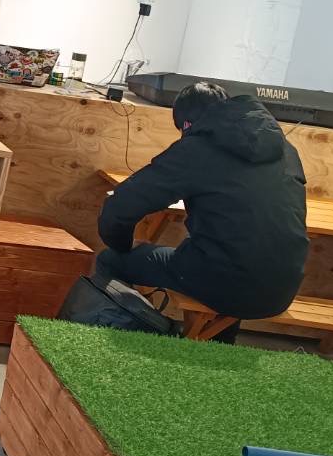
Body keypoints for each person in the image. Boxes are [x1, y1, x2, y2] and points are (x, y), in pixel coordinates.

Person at [96, 81, 310, 324]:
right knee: (236, 262)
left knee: (110, 260)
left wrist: (121, 245)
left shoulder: (197, 147)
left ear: (187, 124)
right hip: (282, 290)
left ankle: (121, 333)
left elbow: (122, 206)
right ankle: (219, 344)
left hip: (224, 283)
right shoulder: (286, 150)